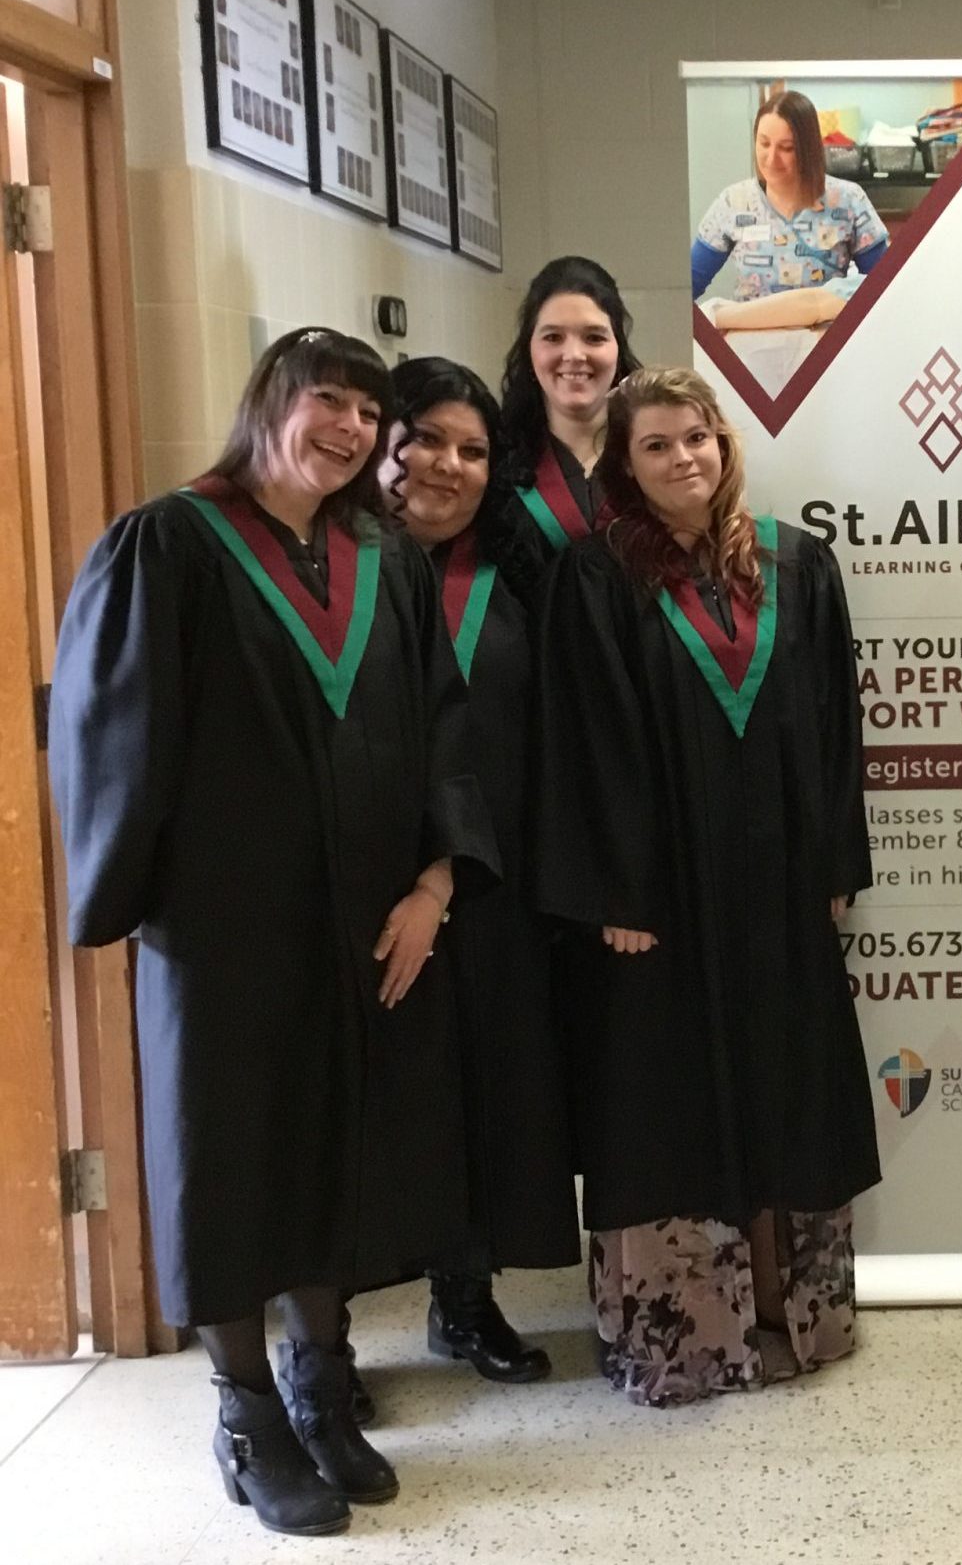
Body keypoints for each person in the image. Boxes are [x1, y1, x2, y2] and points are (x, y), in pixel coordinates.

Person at [48, 329, 497, 1536]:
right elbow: (112, 729)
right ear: (269, 404)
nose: (349, 428)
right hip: (227, 929)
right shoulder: (170, 544)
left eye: (366, 410)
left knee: (333, 1147)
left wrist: (437, 881)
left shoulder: (381, 558)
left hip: (364, 916)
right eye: (328, 403)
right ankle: (246, 1410)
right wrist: (144, 903)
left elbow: (444, 731)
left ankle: (321, 1379)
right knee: (235, 1162)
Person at [532, 366, 880, 1406]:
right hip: (663, 901)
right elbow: (581, 741)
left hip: (779, 887)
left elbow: (833, 728)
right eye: (657, 445)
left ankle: (789, 1312)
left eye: (699, 438)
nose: (685, 458)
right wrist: (616, 894)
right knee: (669, 1092)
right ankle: (686, 1335)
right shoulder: (596, 575)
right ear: (623, 464)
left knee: (787, 1078)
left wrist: (832, 868)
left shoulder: (795, 564)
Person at [375, 358, 579, 1385]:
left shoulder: (517, 568)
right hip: (370, 879)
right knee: (377, 1099)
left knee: (486, 1092)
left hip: (495, 878)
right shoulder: (337, 562)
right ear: (385, 440)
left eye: (473, 448)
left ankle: (466, 1297)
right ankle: (320, 1333)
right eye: (428, 438)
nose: (448, 465)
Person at [691, 89, 889, 334]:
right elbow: (685, 287)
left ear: (808, 150)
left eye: (786, 148)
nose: (771, 158)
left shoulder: (847, 201)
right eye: (764, 143)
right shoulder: (734, 203)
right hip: (750, 354)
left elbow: (886, 286)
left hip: (826, 355)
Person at [498, 254, 641, 556]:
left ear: (618, 349)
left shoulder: (653, 454)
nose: (574, 354)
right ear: (529, 349)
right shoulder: (494, 464)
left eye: (593, 337)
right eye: (553, 337)